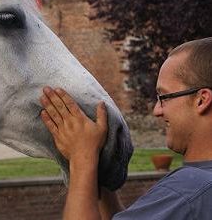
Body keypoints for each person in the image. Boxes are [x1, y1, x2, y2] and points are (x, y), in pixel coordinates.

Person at [39, 37, 212, 219]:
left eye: (164, 96)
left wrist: (82, 156)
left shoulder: (190, 191)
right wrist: (97, 170)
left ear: (202, 100)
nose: (157, 110)